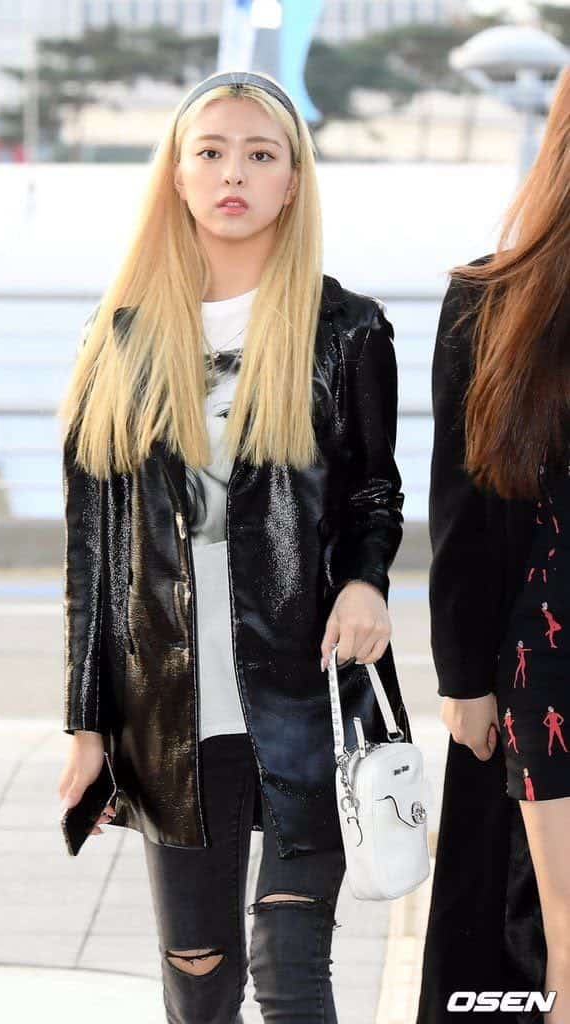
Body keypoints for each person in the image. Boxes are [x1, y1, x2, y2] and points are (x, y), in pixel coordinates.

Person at [57, 69, 410, 1024]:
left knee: (290, 974)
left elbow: (373, 491)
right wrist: (87, 727)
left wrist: (366, 582)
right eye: (210, 153)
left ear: (293, 182)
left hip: (306, 692)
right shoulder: (118, 340)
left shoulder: (347, 331)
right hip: (171, 706)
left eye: (261, 155)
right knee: (200, 976)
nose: (233, 174)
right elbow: (92, 559)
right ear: (176, 175)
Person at [416, 67, 570, 1024]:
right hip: (547, 670)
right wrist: (464, 677)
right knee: (555, 955)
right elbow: (463, 504)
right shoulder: (495, 298)